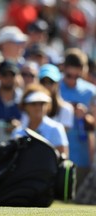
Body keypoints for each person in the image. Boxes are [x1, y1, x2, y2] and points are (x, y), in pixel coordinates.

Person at [59, 48, 96, 189]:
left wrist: (86, 116)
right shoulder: (54, 86)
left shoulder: (91, 91)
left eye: (77, 76)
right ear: (63, 68)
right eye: (69, 75)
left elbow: (94, 122)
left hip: (82, 157)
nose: (72, 80)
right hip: (58, 155)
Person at [11, 83, 69, 156]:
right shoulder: (17, 132)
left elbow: (63, 159)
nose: (38, 107)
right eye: (33, 103)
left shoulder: (56, 128)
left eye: (42, 103)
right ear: (25, 106)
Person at [39, 63, 74, 131]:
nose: (46, 85)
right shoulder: (30, 106)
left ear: (57, 83)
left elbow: (59, 137)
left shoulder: (66, 109)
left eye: (50, 82)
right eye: (43, 82)